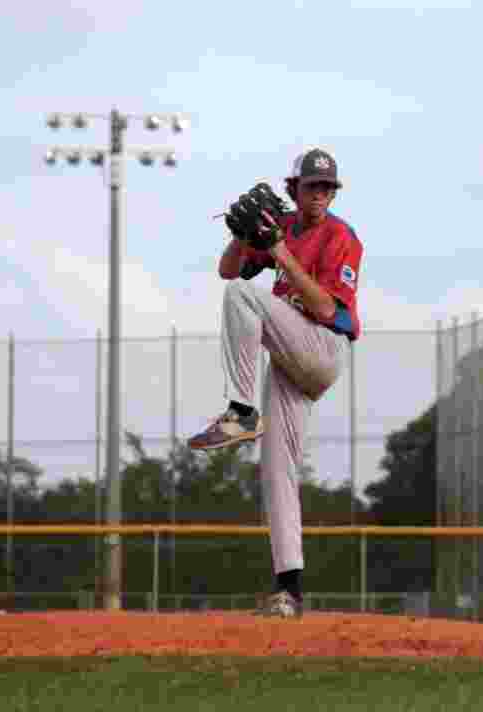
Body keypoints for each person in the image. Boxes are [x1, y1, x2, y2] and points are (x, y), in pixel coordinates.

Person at [187, 147, 363, 619]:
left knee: (243, 296)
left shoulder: (341, 236)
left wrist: (278, 251)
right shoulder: (283, 226)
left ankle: (241, 411)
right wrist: (242, 236)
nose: (321, 194)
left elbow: (327, 310)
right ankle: (289, 588)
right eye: (313, 186)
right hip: (290, 359)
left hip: (323, 348)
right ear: (295, 189)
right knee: (277, 470)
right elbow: (229, 268)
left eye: (328, 187)